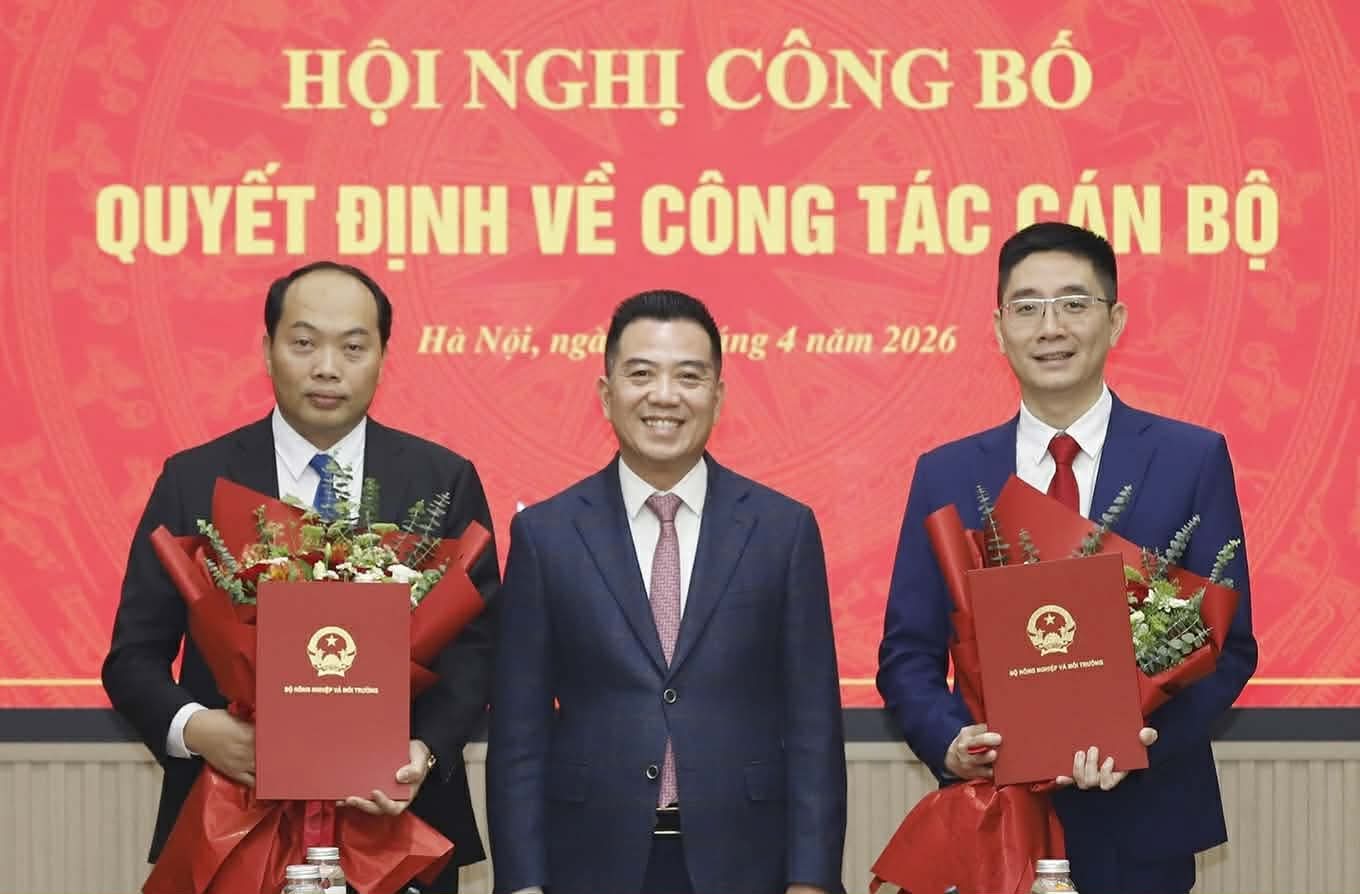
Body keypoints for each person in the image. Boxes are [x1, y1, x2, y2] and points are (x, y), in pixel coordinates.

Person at [877, 222, 1258, 894]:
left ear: (1115, 322)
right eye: (1027, 307)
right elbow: (907, 654)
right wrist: (951, 742)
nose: (1050, 326)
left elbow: (1228, 650)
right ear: (999, 329)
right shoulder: (946, 473)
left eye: (1074, 304)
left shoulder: (1189, 459)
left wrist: (1141, 744)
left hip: (1144, 829)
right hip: (995, 824)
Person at [101, 260, 500, 893]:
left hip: (399, 826)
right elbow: (131, 660)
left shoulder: (441, 481)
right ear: (267, 349)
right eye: (305, 342)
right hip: (228, 824)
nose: (327, 367)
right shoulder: (193, 481)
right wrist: (203, 732)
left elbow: (477, 653)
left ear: (383, 355)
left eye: (353, 346)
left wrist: (421, 752)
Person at [486, 289, 847, 894]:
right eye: (641, 374)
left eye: (689, 376)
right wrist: (522, 881)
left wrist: (810, 879)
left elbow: (813, 724)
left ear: (718, 394)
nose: (664, 396)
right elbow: (519, 732)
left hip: (747, 859)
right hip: (589, 860)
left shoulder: (782, 529)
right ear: (607, 394)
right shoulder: (545, 535)